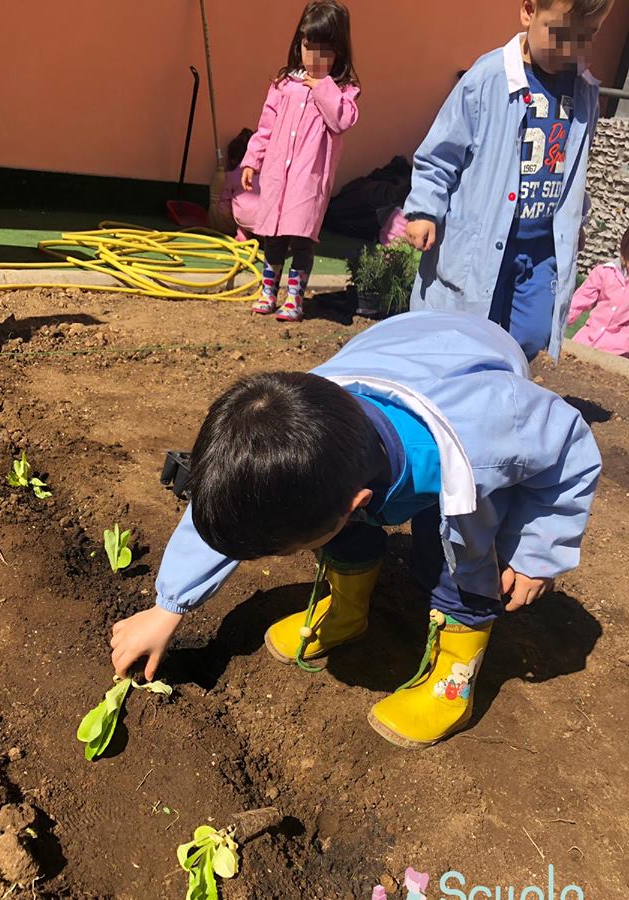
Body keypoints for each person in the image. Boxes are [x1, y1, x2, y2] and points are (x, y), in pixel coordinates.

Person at [110, 312, 602, 750]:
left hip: (480, 378)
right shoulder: (298, 429)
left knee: (460, 550)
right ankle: (348, 611)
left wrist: (538, 553)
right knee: (322, 521)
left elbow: (570, 449)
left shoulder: (488, 441)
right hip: (403, 349)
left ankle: (453, 684)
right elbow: (237, 505)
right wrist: (167, 606)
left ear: (360, 503)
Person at [404, 0, 615, 361]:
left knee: (530, 333)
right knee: (466, 328)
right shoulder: (486, 80)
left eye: (586, 37)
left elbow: (574, 165)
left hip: (540, 247)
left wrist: (575, 220)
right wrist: (425, 208)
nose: (571, 50)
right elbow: (441, 153)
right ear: (529, 11)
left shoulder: (584, 91)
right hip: (482, 240)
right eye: (561, 35)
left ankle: (501, 385)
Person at [241, 0, 360, 321]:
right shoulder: (284, 85)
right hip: (278, 178)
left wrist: (323, 87)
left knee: (302, 238)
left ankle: (295, 297)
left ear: (338, 53)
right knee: (274, 237)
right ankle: (269, 290)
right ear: (299, 45)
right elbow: (265, 127)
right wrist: (253, 161)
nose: (315, 59)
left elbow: (342, 120)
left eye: (325, 51)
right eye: (309, 48)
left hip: (309, 181)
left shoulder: (343, 91)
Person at [567, 225, 629, 357]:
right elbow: (579, 302)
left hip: (617, 352)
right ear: (623, 254)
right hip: (585, 341)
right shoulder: (605, 272)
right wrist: (559, 323)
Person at [213, 128, 260, 241]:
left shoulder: (232, 175)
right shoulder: (267, 171)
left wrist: (220, 220)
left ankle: (242, 234)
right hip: (266, 222)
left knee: (242, 209)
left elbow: (224, 205)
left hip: (244, 219)